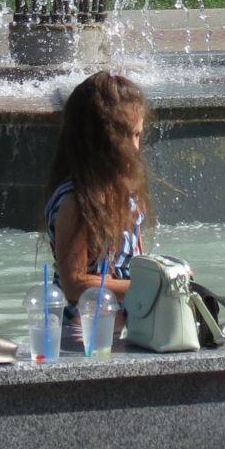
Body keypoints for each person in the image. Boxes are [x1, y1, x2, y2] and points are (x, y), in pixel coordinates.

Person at [45, 71, 161, 347]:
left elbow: (134, 261)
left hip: (129, 327)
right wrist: (149, 288)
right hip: (81, 334)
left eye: (139, 135)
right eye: (126, 137)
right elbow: (74, 285)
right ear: (97, 141)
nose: (135, 147)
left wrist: (163, 276)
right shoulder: (77, 200)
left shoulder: (128, 193)